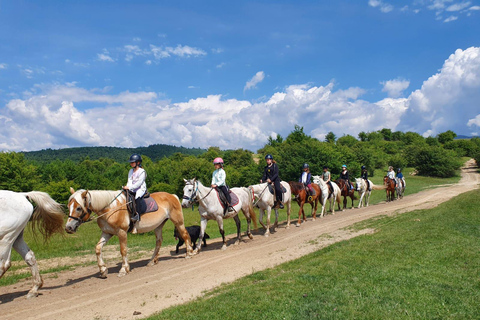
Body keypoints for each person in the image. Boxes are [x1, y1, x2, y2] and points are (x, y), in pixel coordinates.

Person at [122, 154, 147, 233]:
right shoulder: (131, 171)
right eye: (131, 162)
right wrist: (127, 187)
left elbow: (139, 183)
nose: (131, 164)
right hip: (132, 187)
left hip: (140, 188)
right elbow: (129, 180)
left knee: (137, 197)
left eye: (133, 162)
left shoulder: (142, 171)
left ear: (138, 162)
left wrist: (129, 187)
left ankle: (137, 215)